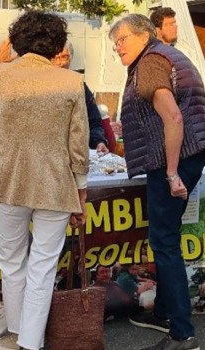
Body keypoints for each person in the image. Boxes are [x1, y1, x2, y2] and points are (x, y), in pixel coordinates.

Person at [0, 10, 89, 350]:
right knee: (44, 266)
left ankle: (18, 333)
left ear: (16, 40)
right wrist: (81, 190)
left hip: (10, 181)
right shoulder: (71, 81)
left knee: (12, 259)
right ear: (56, 44)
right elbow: (78, 144)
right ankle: (31, 342)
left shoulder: (1, 73)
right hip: (56, 182)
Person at [109, 13, 205, 350]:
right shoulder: (169, 55)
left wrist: (171, 172)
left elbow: (173, 116)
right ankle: (165, 311)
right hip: (191, 154)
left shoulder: (150, 63)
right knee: (167, 237)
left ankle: (182, 334)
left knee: (164, 242)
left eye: (121, 39)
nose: (117, 47)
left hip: (173, 159)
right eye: (114, 43)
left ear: (142, 34)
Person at [51, 41, 109, 155]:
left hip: (74, 154)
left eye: (64, 57)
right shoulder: (38, 88)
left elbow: (94, 122)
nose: (60, 63)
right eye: (55, 57)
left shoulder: (79, 85)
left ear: (70, 59)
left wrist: (99, 142)